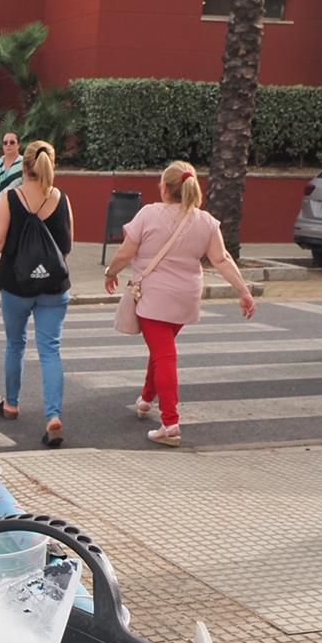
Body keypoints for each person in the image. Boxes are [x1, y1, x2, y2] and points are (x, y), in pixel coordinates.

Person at [104, 161, 257, 447]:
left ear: (164, 188)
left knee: (164, 354)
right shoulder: (206, 222)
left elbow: (125, 252)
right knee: (161, 350)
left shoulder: (149, 214)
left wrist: (110, 272)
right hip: (186, 297)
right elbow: (221, 259)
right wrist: (243, 290)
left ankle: (170, 423)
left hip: (153, 297)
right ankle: (146, 399)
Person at [0, 140, 73, 448]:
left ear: (23, 166)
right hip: (53, 287)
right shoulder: (61, 198)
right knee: (50, 350)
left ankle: (12, 404)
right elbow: (67, 245)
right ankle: (53, 416)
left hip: (16, 285)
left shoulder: (10, 198)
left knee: (15, 345)